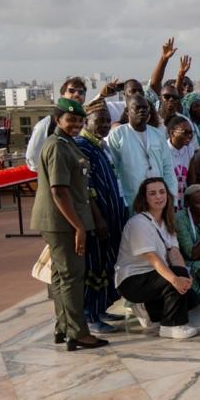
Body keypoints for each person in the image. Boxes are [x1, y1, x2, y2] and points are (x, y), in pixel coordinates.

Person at [31, 98, 108, 350]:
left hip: (65, 220)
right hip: (63, 223)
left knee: (62, 277)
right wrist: (78, 228)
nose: (75, 124)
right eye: (70, 119)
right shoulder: (57, 147)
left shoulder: (67, 144)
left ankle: (64, 327)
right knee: (73, 276)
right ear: (57, 120)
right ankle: (78, 332)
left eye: (78, 120)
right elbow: (59, 191)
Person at [114, 178, 198, 340]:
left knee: (191, 298)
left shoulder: (167, 222)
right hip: (133, 280)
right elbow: (152, 258)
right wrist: (175, 279)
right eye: (152, 193)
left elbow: (174, 253)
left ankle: (148, 310)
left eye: (162, 192)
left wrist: (184, 276)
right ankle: (171, 326)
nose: (158, 197)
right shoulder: (139, 223)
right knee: (175, 280)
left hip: (154, 276)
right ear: (144, 198)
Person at [73, 103, 127, 334]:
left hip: (113, 215)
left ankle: (100, 308)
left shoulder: (101, 146)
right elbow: (87, 189)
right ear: (86, 122)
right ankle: (90, 315)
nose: (104, 125)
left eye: (107, 121)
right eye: (99, 121)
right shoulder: (82, 147)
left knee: (107, 265)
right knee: (94, 267)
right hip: (98, 221)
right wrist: (99, 219)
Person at [106, 94, 178, 209]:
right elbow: (113, 171)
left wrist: (172, 199)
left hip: (158, 200)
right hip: (131, 200)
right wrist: (121, 202)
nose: (142, 111)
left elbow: (168, 168)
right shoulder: (118, 134)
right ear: (127, 111)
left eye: (145, 108)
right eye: (137, 108)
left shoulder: (157, 134)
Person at [26, 77, 89, 171]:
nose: (76, 94)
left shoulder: (85, 123)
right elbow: (33, 159)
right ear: (62, 95)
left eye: (81, 92)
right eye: (71, 91)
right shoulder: (46, 125)